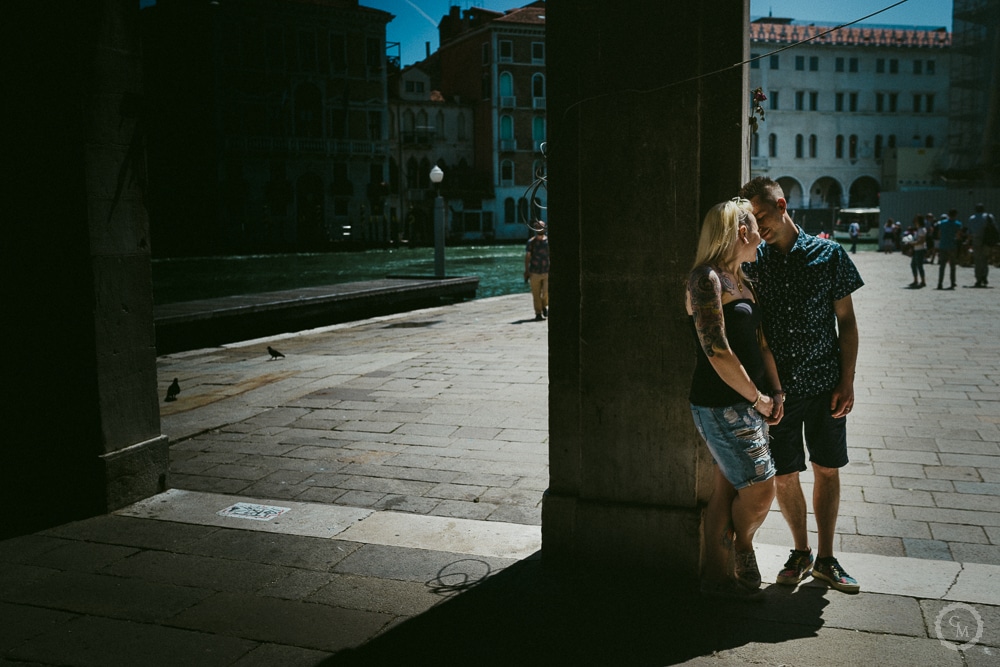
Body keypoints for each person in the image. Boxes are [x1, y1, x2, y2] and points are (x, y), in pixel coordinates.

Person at [739, 176, 864, 594]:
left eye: (761, 216)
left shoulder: (829, 254)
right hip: (780, 392)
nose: (758, 228)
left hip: (826, 382)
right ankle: (801, 552)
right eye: (751, 221)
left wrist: (847, 380)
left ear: (781, 203)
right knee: (786, 474)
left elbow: (846, 323)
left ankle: (827, 558)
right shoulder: (754, 262)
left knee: (827, 468)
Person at [686, 198, 782, 600]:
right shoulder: (705, 279)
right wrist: (759, 399)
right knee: (762, 490)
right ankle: (743, 545)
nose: (763, 235)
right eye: (757, 228)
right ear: (742, 232)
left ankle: (713, 579)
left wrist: (775, 390)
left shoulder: (742, 280)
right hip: (720, 405)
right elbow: (717, 351)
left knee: (724, 492)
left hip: (750, 402)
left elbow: (760, 343)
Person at [524, 221, 549, 320]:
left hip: (547, 270)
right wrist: (526, 271)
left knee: (546, 292)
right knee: (536, 294)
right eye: (538, 227)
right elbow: (527, 257)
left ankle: (544, 306)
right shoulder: (531, 242)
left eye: (542, 226)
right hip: (534, 271)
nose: (540, 228)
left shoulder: (548, 241)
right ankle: (538, 313)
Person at [964, 204, 993, 287]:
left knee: (977, 260)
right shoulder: (988, 216)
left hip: (976, 240)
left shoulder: (972, 218)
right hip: (986, 240)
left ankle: (978, 278)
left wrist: (968, 242)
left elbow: (969, 232)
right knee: (985, 259)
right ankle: (984, 275)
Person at [935, 211, 962, 290]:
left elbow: (939, 234)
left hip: (943, 245)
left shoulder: (942, 223)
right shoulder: (958, 224)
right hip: (952, 245)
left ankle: (940, 283)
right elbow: (958, 235)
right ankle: (952, 282)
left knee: (942, 266)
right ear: (956, 215)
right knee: (952, 266)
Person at [905, 216, 928, 288]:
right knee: (913, 265)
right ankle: (916, 280)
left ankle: (923, 281)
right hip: (916, 249)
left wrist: (912, 243)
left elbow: (922, 241)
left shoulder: (922, 230)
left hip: (920, 249)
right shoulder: (918, 230)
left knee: (919, 265)